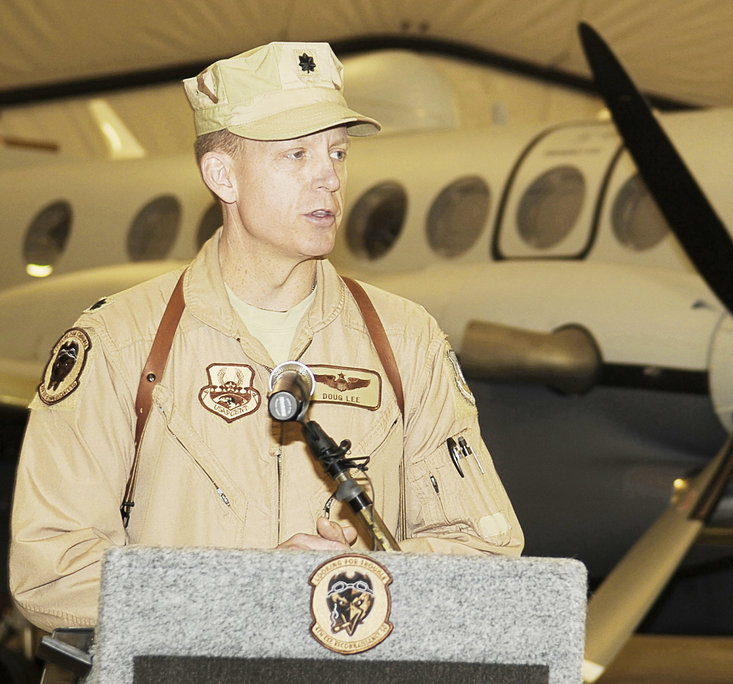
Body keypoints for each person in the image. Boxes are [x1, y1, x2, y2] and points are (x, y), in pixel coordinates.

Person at [9, 42, 523, 633]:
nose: (329, 176)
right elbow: (50, 574)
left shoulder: (407, 343)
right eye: (296, 154)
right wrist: (246, 592)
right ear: (222, 175)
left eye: (337, 151)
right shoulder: (121, 343)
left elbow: (486, 554)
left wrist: (356, 573)